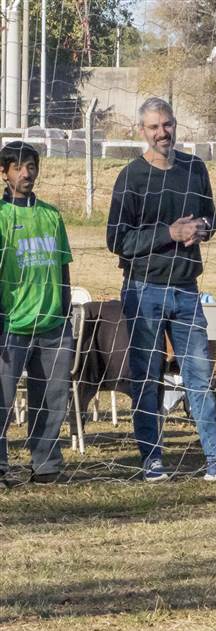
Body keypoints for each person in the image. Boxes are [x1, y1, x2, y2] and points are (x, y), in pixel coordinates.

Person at [106, 97, 216, 482]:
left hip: (186, 288)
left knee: (199, 377)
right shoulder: (131, 177)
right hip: (143, 290)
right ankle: (152, 460)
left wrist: (201, 229)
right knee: (148, 377)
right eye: (153, 127)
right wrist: (170, 233)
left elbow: (211, 216)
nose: (162, 133)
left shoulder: (195, 169)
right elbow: (116, 239)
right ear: (141, 132)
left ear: (175, 125)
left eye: (167, 125)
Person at [0, 142, 74, 487]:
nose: (25, 173)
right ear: (4, 173)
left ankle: (45, 465)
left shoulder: (51, 215)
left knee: (50, 401)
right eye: (16, 167)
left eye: (30, 166)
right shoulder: (1, 217)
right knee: (2, 401)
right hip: (11, 326)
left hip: (52, 327)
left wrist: (64, 311)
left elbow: (63, 268)